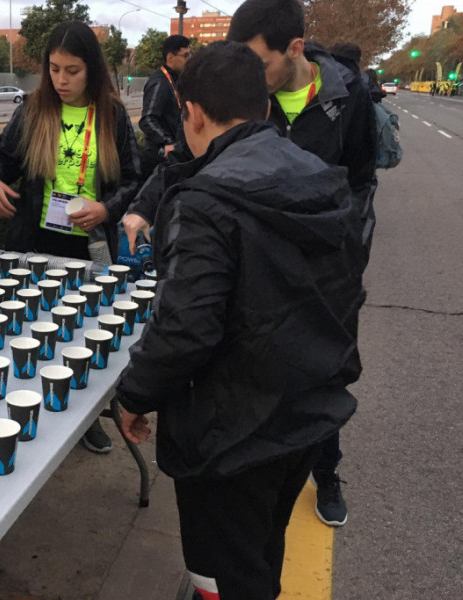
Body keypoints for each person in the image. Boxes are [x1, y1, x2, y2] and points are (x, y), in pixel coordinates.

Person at [116, 41, 366, 600]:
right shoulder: (322, 178)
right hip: (306, 414)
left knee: (224, 577)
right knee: (260, 553)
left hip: (230, 438)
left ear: (193, 112)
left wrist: (133, 396)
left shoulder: (206, 200)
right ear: (265, 106)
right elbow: (346, 293)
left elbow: (186, 328)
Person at [228, 0, 377, 528]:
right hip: (262, 271)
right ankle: (263, 469)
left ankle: (327, 470)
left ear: (294, 50)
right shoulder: (249, 95)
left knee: (321, 377)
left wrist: (343, 259)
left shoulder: (348, 96)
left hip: (325, 276)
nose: (250, 79)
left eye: (259, 64)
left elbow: (360, 180)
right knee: (259, 370)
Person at [0, 20, 140, 453]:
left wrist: (106, 208)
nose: (61, 80)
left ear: (93, 70)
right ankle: (18, 411)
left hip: (88, 247)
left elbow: (135, 180)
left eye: (72, 70)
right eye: (53, 69)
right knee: (28, 333)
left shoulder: (112, 115)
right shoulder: (32, 110)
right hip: (33, 244)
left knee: (82, 337)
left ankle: (85, 417)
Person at [138, 35, 192, 180]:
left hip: (170, 158)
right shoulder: (160, 82)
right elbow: (147, 119)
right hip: (158, 159)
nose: (189, 60)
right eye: (185, 55)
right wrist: (167, 142)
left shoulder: (174, 80)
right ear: (170, 57)